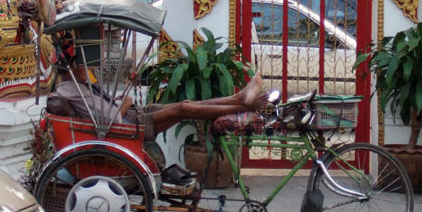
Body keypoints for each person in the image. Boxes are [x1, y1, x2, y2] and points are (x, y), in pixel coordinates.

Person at [55, 64, 268, 141]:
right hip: (126, 126)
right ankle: (244, 104)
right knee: (184, 109)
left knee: (186, 103)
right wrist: (126, 102)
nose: (88, 69)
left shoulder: (77, 84)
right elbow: (113, 118)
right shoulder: (72, 89)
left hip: (132, 115)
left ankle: (239, 98)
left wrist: (123, 104)